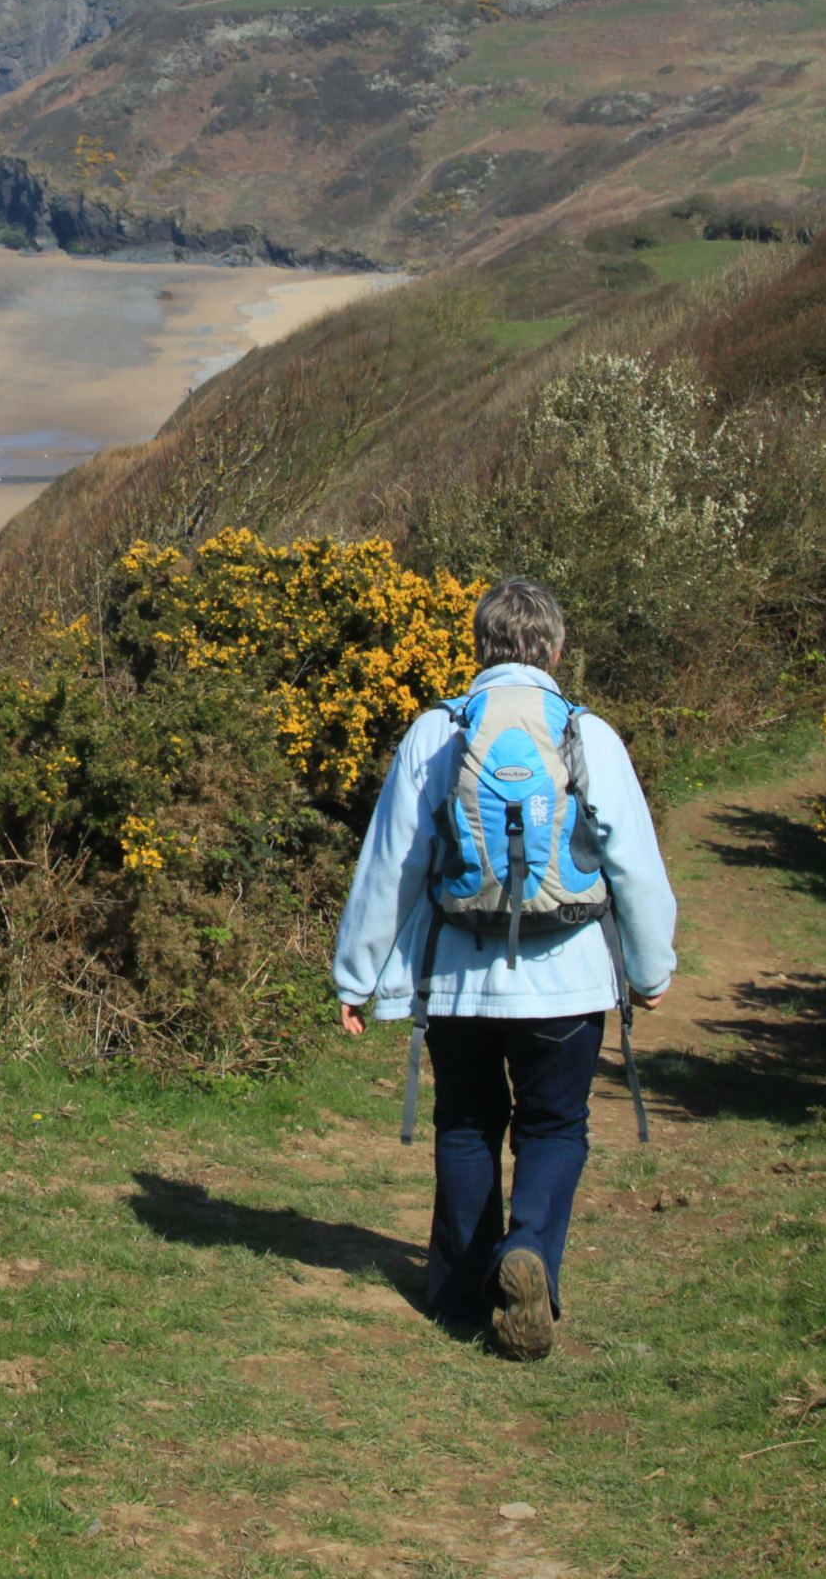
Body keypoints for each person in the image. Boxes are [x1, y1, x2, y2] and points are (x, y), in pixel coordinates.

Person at [332, 575, 676, 1360]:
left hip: (459, 979)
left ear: (478, 648)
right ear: (555, 650)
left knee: (466, 1123)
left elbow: (391, 864)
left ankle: (458, 1295)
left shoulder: (435, 733)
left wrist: (356, 977)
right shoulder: (588, 735)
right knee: (556, 1125)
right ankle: (529, 1254)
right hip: (571, 978)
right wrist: (650, 972)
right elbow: (635, 866)